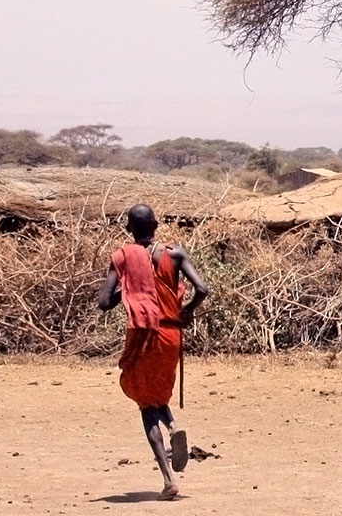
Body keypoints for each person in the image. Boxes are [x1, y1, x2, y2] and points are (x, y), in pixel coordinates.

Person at [97, 203, 208, 500]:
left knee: (146, 403)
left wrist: (129, 286)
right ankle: (172, 424)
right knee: (158, 392)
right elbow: (203, 289)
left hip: (142, 335)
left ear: (129, 229)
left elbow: (104, 302)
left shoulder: (121, 257)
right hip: (171, 334)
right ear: (157, 225)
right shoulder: (175, 253)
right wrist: (186, 312)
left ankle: (168, 478)